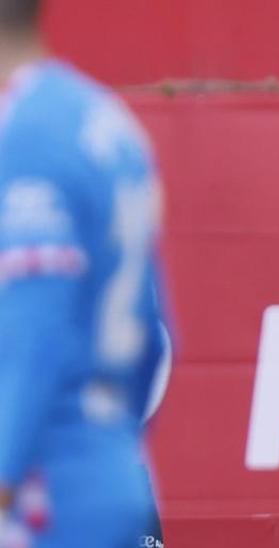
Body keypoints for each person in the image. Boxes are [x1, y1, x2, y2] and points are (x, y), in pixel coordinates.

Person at [0, 1, 168, 545]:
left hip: (40, 496)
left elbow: (34, 337)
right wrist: (112, 448)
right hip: (109, 474)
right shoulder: (107, 122)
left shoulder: (23, 133)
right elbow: (156, 336)